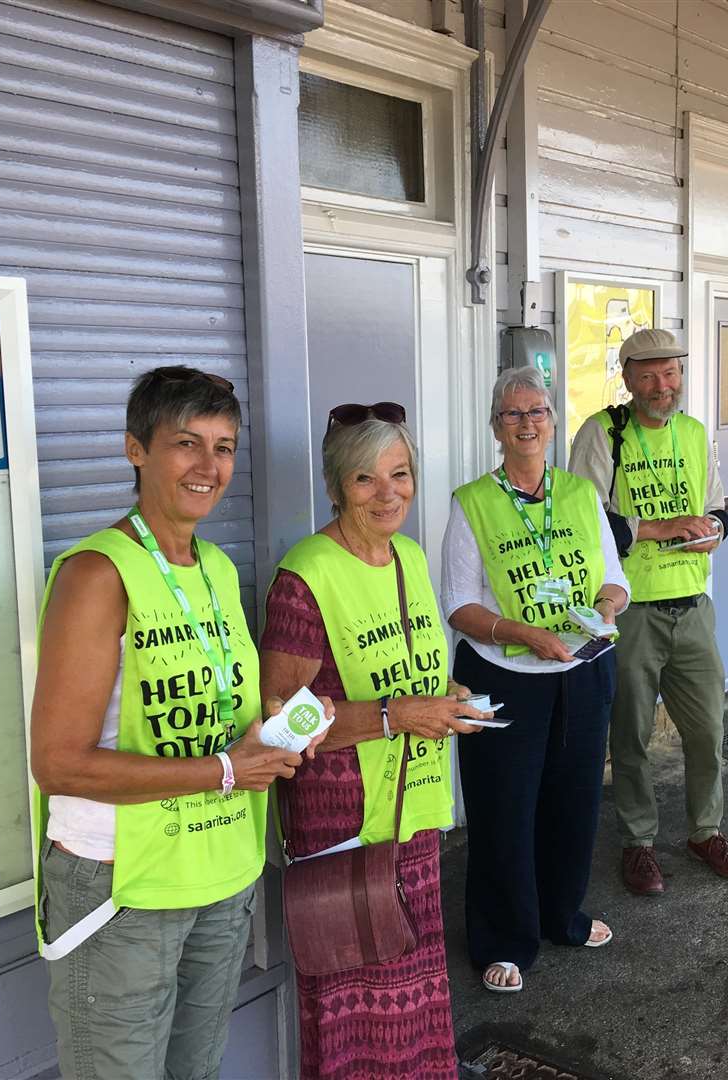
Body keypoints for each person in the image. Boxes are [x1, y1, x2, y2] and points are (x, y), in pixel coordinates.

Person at [30, 366, 311, 1080]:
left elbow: (210, 710)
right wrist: (223, 771)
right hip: (122, 880)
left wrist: (274, 728)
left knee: (196, 1070)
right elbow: (59, 762)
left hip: (217, 870)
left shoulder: (214, 567)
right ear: (136, 450)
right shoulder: (97, 574)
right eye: (187, 443)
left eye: (224, 446)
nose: (209, 467)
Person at [258, 402, 490, 1080]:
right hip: (343, 828)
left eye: (401, 473)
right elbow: (280, 722)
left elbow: (418, 666)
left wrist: (449, 698)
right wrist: (393, 716)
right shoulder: (305, 577)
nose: (389, 493)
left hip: (410, 812)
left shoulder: (409, 557)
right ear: (334, 488)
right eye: (365, 479)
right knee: (358, 1004)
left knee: (414, 981)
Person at [440, 367, 631, 993]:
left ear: (553, 422)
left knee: (574, 802)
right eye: (513, 414)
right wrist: (523, 634)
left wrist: (606, 606)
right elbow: (459, 605)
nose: (527, 423)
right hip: (504, 674)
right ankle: (504, 939)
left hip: (581, 667)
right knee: (504, 810)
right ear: (497, 428)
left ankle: (561, 917)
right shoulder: (473, 502)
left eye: (538, 411)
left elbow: (614, 579)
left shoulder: (577, 493)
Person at [568, 328, 728, 896]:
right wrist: (660, 529)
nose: (660, 386)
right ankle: (639, 843)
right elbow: (584, 524)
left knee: (708, 731)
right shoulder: (603, 433)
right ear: (626, 380)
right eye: (646, 375)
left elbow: (719, 507)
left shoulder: (694, 433)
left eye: (669, 373)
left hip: (693, 604)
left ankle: (705, 830)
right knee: (632, 737)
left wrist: (714, 530)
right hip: (632, 613)